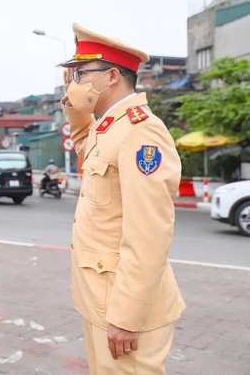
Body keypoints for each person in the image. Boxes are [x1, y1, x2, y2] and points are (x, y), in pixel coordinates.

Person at [59, 23, 185, 374]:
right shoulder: (110, 126)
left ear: (112, 75)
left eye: (82, 73)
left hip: (125, 309)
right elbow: (84, 142)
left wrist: (127, 316)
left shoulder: (141, 131)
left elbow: (149, 234)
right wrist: (72, 97)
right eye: (74, 74)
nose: (76, 80)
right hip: (101, 299)